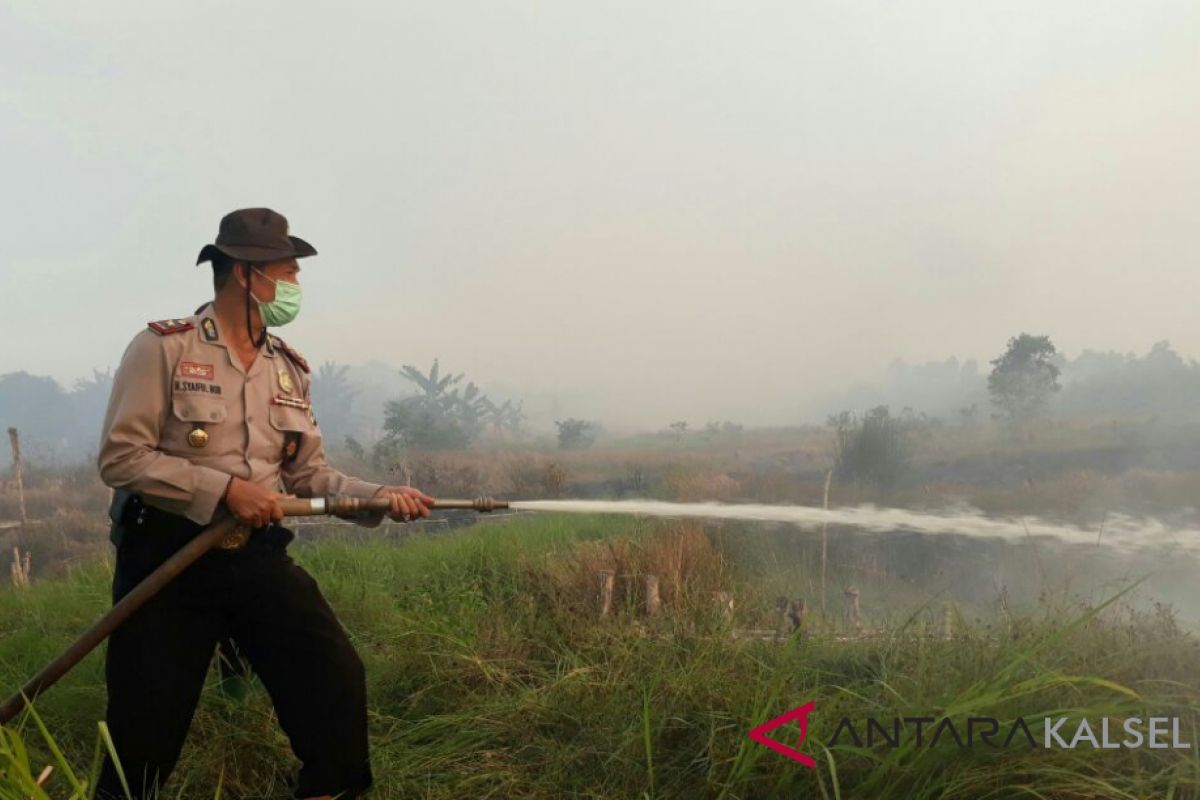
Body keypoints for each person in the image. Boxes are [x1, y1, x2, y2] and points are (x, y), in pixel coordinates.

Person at [94, 207, 432, 799]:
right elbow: (122, 459)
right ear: (244, 274)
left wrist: (377, 497)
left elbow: (309, 474)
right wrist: (224, 489)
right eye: (287, 274)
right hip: (168, 559)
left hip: (254, 558)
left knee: (333, 679)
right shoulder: (163, 349)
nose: (295, 288)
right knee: (146, 727)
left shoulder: (288, 368)